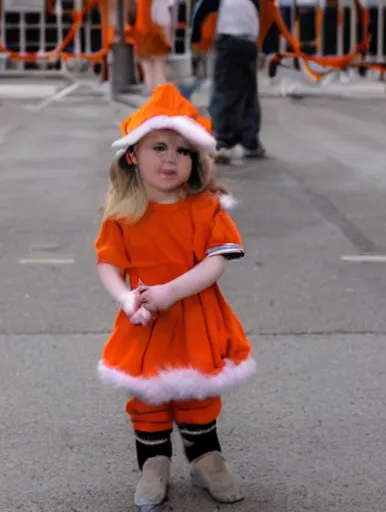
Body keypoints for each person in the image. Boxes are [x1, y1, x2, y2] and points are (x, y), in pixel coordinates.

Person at [94, 83, 256, 510]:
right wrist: (126, 299)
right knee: (148, 395)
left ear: (196, 160)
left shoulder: (207, 208)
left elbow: (214, 263)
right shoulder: (123, 212)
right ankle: (153, 464)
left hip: (197, 315)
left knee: (199, 392)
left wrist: (170, 291)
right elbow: (108, 264)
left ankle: (207, 459)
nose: (171, 159)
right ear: (133, 154)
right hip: (145, 320)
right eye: (159, 147)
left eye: (183, 151)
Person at [202, 0, 266, 162]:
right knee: (248, 91)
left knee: (224, 89)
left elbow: (203, 10)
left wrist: (199, 41)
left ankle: (222, 140)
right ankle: (250, 141)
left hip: (228, 38)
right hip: (249, 40)